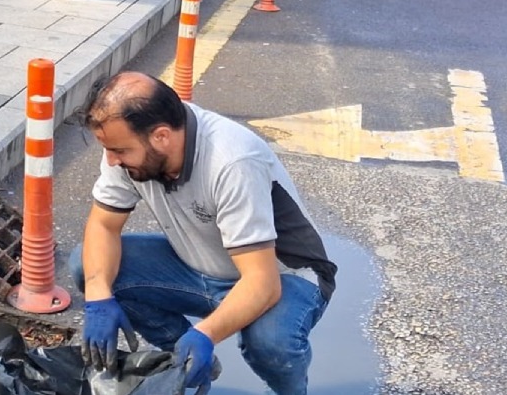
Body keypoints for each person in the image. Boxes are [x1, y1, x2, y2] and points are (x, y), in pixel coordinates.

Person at [70, 72, 336, 394]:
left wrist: (206, 334)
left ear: (161, 137)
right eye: (109, 149)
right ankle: (184, 362)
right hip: (201, 266)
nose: (112, 160)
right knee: (88, 266)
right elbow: (103, 224)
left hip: (282, 276)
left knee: (269, 343)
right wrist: (99, 297)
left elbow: (262, 284)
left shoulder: (232, 161)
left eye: (120, 151)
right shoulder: (129, 146)